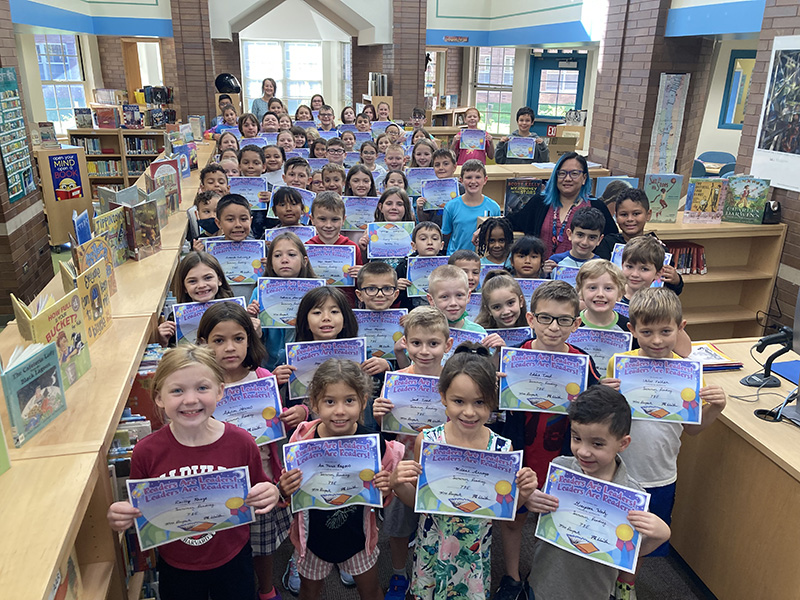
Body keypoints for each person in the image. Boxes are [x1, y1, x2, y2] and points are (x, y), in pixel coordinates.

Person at [106, 345, 280, 600]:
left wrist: (271, 492)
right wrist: (122, 515)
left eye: (202, 388)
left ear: (220, 391)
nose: (190, 400)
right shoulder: (146, 451)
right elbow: (141, 509)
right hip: (176, 563)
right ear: (159, 398)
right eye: (177, 390)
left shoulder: (242, 442)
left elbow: (260, 489)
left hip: (234, 557)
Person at [602, 288, 726, 599]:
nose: (657, 340)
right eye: (647, 332)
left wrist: (716, 408)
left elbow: (693, 431)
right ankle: (601, 584)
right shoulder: (619, 363)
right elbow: (604, 421)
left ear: (681, 328)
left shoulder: (689, 375)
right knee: (608, 530)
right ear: (632, 330)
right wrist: (605, 394)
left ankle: (626, 586)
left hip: (659, 473)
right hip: (617, 470)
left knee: (640, 539)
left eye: (666, 331)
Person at [390, 343, 537, 600]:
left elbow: (504, 512)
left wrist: (523, 493)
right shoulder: (427, 441)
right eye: (459, 401)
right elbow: (420, 502)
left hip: (474, 549)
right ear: (443, 396)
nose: (469, 412)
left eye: (479, 402)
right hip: (433, 544)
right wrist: (398, 483)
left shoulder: (502, 449)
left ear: (492, 400)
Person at [494, 280, 603, 599]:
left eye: (563, 320)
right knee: (514, 520)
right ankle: (512, 577)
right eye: (545, 318)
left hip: (563, 456)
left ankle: (544, 579)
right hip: (521, 452)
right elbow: (491, 414)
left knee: (558, 520)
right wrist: (497, 387)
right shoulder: (512, 359)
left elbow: (596, 410)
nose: (554, 327)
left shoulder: (583, 363)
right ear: (530, 319)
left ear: (576, 324)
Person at [196, 302, 306, 600]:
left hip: (262, 475)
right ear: (204, 343)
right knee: (225, 542)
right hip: (217, 478)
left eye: (238, 339)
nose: (230, 348)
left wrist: (292, 414)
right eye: (219, 340)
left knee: (263, 543)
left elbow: (275, 420)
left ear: (250, 340)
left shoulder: (261, 377)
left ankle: (267, 588)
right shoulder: (199, 384)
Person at [526, 386, 671, 600]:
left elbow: (630, 551)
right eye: (576, 438)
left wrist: (660, 535)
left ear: (623, 443)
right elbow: (545, 522)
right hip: (544, 584)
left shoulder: (632, 495)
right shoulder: (560, 469)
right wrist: (530, 499)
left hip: (593, 591)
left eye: (597, 443)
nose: (583, 451)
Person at [278, 358, 403, 600]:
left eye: (349, 400)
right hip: (312, 537)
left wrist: (387, 486)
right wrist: (284, 488)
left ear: (363, 401)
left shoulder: (374, 442)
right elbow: (290, 487)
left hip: (358, 537)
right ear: (315, 403)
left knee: (370, 590)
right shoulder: (301, 441)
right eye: (329, 401)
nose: (340, 411)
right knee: (309, 591)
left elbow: (385, 490)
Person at [373, 306, 453, 600]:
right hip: (403, 464)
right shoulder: (396, 380)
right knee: (399, 525)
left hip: (443, 465)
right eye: (416, 343)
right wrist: (378, 414)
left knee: (441, 524)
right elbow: (385, 428)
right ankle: (398, 574)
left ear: (448, 345)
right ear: (404, 343)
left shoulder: (454, 380)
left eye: (433, 344)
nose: (425, 351)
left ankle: (437, 572)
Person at [502, 152, 618, 259]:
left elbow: (610, 240)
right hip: (541, 274)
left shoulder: (596, 206)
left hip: (579, 275)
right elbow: (513, 222)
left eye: (574, 174)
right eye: (562, 173)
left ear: (584, 178)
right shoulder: (540, 203)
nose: (567, 179)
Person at [603, 188, 684, 295]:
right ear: (616, 216)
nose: (630, 219)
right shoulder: (607, 244)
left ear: (648, 214)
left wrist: (676, 280)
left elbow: (671, 290)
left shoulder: (659, 248)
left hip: (648, 306)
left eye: (636, 214)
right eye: (624, 214)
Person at [157, 251, 234, 347]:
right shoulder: (175, 319)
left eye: (208, 278)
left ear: (219, 280)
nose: (201, 285)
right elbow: (173, 356)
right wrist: (163, 342)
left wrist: (254, 331)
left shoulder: (235, 311)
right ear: (184, 287)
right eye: (192, 281)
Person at [307, 192, 363, 306]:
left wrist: (362, 274)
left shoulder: (352, 248)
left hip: (345, 306)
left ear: (343, 220)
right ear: (312, 219)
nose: (328, 225)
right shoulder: (306, 248)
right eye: (322, 219)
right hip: (315, 306)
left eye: (335, 219)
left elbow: (360, 285)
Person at [443, 159, 501, 254]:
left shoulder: (494, 207)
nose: (473, 181)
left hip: (482, 258)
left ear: (485, 180)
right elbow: (447, 233)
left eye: (478, 177)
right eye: (469, 177)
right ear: (461, 180)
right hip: (456, 258)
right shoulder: (451, 206)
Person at [395, 221, 444, 311]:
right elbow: (394, 300)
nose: (429, 242)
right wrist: (396, 287)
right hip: (413, 312)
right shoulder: (404, 266)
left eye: (435, 238)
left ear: (441, 245)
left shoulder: (447, 267)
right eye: (423, 239)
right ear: (414, 246)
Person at [543, 205, 606, 274]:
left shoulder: (602, 266)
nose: (584, 242)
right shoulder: (555, 261)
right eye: (580, 235)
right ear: (570, 234)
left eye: (592, 237)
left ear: (599, 240)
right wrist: (544, 274)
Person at [576, 259, 630, 331]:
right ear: (581, 292)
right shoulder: (570, 325)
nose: (600, 294)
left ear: (619, 294)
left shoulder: (629, 327)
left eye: (608, 288)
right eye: (592, 288)